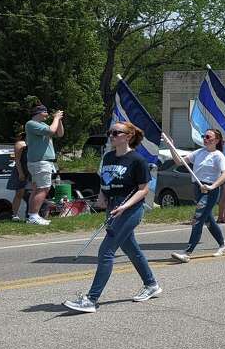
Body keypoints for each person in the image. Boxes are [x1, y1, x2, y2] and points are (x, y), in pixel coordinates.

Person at [63, 121, 161, 313]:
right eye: (111, 132)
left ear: (128, 136)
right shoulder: (108, 157)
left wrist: (125, 206)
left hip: (130, 209)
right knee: (130, 248)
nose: (111, 136)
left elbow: (143, 190)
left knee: (106, 251)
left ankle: (91, 299)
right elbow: (105, 181)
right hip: (112, 206)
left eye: (116, 133)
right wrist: (102, 197)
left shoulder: (137, 160)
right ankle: (151, 284)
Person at [171, 129, 225, 262]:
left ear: (216, 140)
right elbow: (179, 162)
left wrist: (212, 186)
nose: (205, 138)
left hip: (209, 190)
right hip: (197, 189)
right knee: (208, 220)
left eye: (208, 137)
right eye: (204, 136)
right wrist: (171, 147)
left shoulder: (218, 155)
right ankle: (223, 245)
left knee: (198, 219)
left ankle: (187, 252)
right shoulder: (199, 152)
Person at [24, 104, 64, 225]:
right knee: (44, 188)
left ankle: (32, 215)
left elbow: (59, 133)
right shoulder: (31, 124)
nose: (47, 114)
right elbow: (51, 130)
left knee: (37, 188)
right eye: (45, 112)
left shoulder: (43, 125)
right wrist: (56, 118)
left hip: (41, 162)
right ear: (38, 113)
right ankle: (34, 216)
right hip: (40, 162)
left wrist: (59, 120)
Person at [8, 133, 30, 221]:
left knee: (30, 193)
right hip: (21, 170)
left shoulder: (33, 143)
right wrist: (21, 173)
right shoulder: (20, 144)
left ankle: (30, 214)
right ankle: (14, 215)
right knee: (19, 193)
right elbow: (17, 160)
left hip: (30, 170)